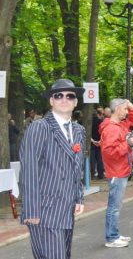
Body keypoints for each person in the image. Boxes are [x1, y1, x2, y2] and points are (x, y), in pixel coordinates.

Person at [19, 79, 87, 259]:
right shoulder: (40, 127)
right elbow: (29, 169)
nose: (64, 99)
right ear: (51, 101)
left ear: (75, 101)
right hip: (44, 210)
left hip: (67, 209)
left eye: (69, 96)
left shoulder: (79, 130)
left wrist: (79, 198)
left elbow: (77, 168)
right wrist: (31, 210)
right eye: (58, 96)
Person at [98, 98, 133, 248]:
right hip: (116, 171)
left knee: (115, 205)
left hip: (119, 170)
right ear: (116, 109)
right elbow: (109, 152)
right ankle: (111, 237)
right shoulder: (112, 128)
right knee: (114, 206)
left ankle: (114, 234)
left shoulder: (119, 125)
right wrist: (127, 144)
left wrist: (132, 107)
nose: (127, 112)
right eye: (124, 109)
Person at [90, 107, 107, 180]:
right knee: (100, 159)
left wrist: (92, 141)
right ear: (98, 114)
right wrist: (100, 141)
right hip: (99, 142)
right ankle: (100, 174)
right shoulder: (101, 122)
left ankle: (92, 175)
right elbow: (103, 133)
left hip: (91, 142)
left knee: (92, 160)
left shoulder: (88, 122)